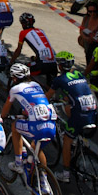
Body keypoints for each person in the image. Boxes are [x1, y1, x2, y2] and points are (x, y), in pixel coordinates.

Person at [46, 51, 97, 183]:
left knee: (66, 139)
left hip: (80, 113)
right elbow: (75, 92)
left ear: (60, 66)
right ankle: (76, 137)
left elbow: (47, 96)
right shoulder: (79, 74)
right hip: (92, 108)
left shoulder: (60, 79)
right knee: (68, 106)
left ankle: (65, 173)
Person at [0, 63, 56, 181]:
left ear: (14, 78)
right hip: (51, 124)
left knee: (15, 126)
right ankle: (44, 180)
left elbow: (6, 107)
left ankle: (18, 163)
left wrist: (2, 117)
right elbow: (34, 102)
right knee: (37, 148)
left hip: (36, 126)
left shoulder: (15, 89)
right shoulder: (36, 85)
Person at [10, 13, 57, 82]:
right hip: (54, 64)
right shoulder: (41, 31)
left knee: (22, 71)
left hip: (42, 65)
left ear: (23, 23)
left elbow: (18, 50)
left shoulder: (23, 33)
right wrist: (35, 58)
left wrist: (11, 61)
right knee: (49, 87)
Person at [78, 0, 98, 64]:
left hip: (96, 46)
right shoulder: (86, 18)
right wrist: (86, 38)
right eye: (90, 11)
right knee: (88, 60)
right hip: (87, 44)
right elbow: (81, 30)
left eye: (94, 11)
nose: (92, 13)